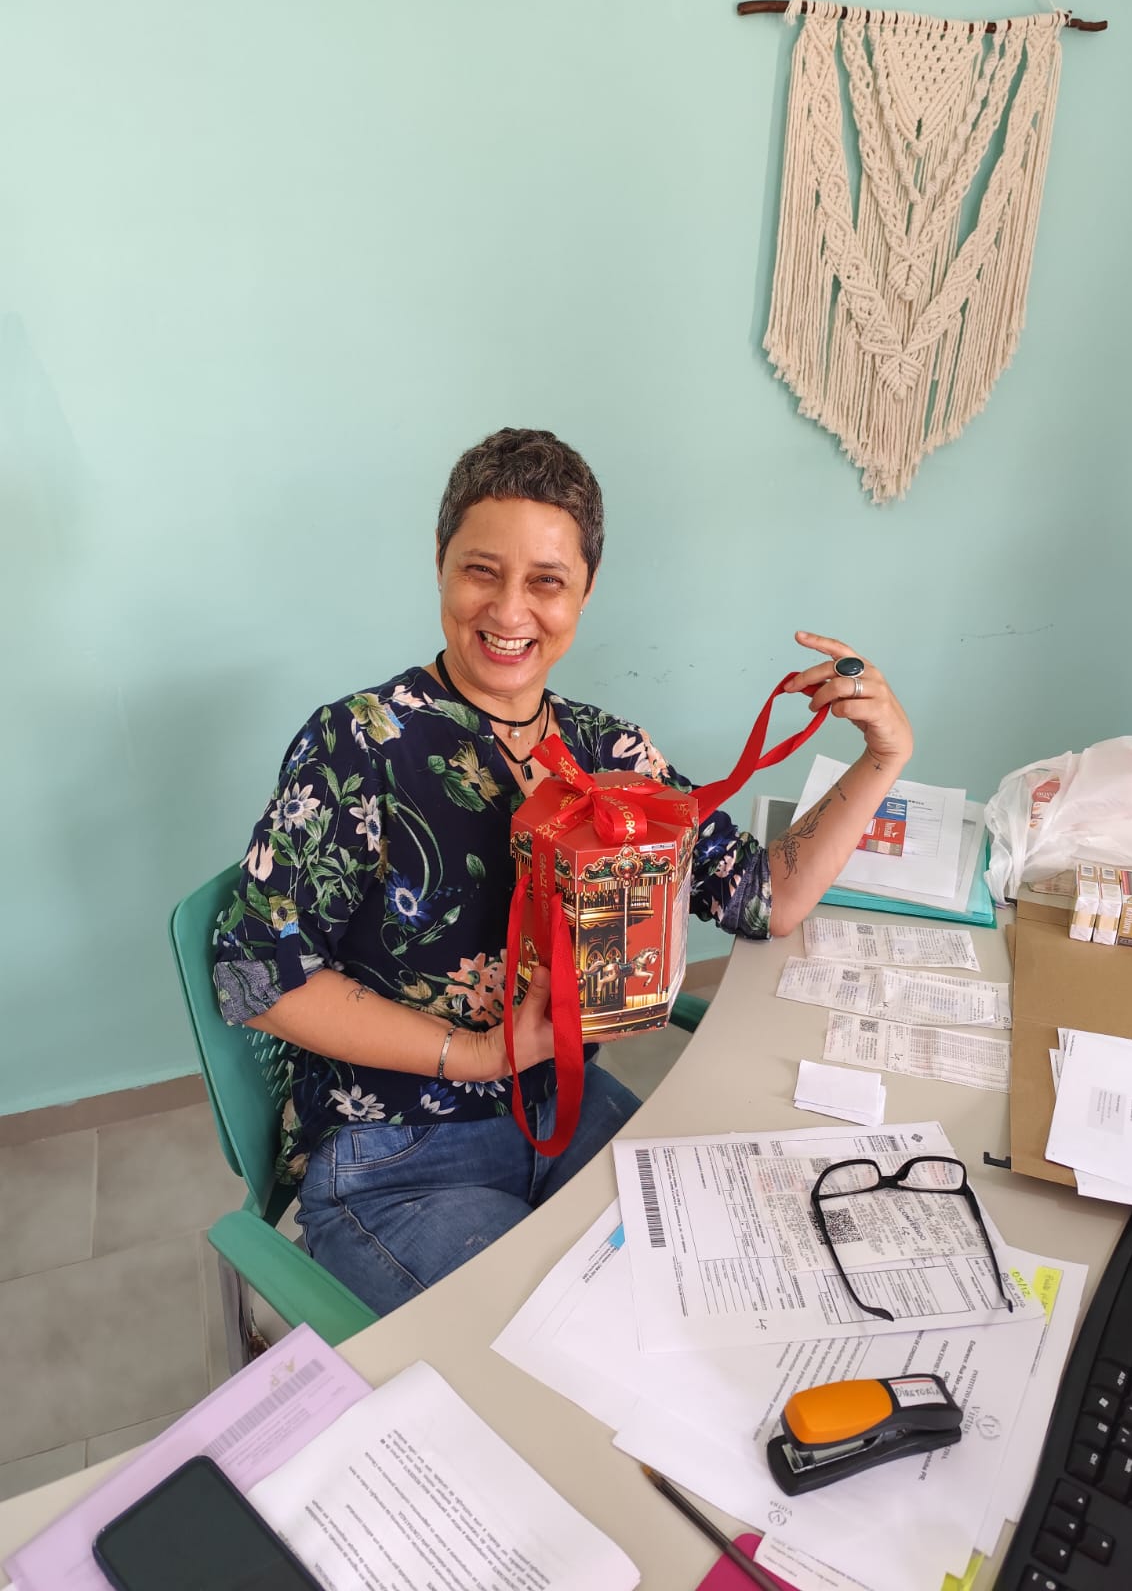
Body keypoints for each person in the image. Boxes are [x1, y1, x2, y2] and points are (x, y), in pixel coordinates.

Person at [214, 428, 912, 1315]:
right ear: (440, 566)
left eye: (546, 581)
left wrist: (882, 756)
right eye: (481, 571)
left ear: (585, 591)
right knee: (572, 1338)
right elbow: (255, 975)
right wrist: (474, 1054)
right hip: (395, 1156)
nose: (509, 611)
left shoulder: (607, 752)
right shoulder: (360, 744)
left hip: (559, 1112)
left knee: (727, 1282)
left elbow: (763, 897)